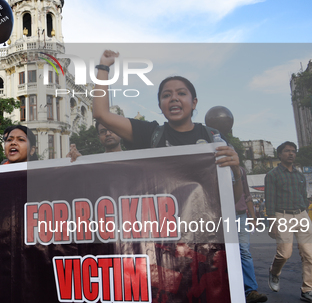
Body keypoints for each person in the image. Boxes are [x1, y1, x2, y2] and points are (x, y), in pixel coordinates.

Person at [92, 50, 243, 202]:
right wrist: (103, 67)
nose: (174, 98)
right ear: (160, 105)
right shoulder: (150, 135)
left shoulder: (213, 138)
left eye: (182, 93)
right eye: (166, 95)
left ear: (194, 103)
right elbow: (101, 114)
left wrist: (236, 172)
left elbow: (234, 200)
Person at [265, 141, 312, 303]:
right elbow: (269, 200)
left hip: (301, 215)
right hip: (282, 216)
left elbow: (302, 195)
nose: (291, 154)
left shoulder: (300, 176)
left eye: (293, 151)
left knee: (309, 254)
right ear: (279, 155)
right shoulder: (272, 175)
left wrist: (304, 212)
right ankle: (274, 272)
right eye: (287, 151)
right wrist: (272, 222)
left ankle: (308, 290)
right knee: (284, 253)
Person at [234, 167, 267, 303]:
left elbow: (247, 194)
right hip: (219, 215)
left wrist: (253, 217)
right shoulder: (211, 167)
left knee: (244, 251)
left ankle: (251, 290)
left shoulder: (240, 170)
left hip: (240, 215)